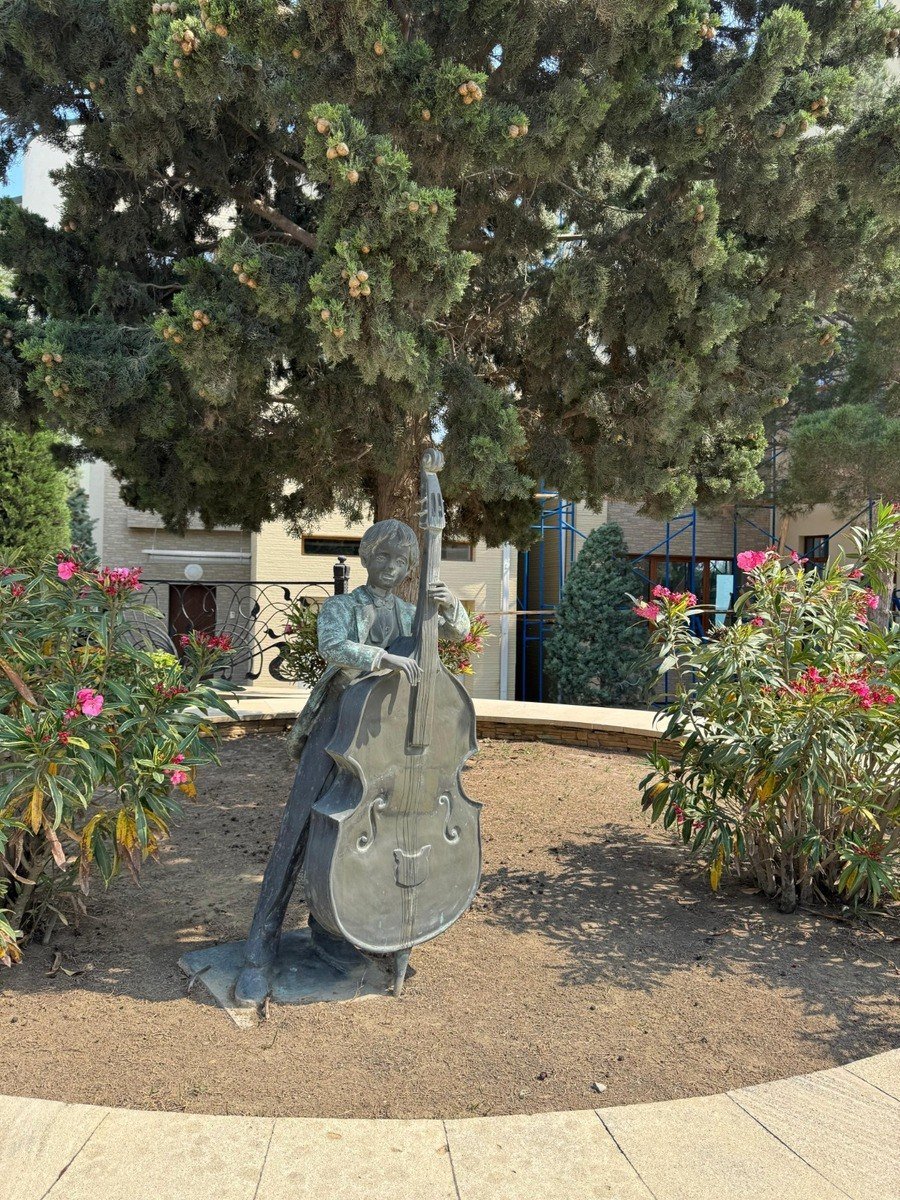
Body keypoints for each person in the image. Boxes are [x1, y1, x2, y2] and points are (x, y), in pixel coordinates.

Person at [233, 518, 470, 1007]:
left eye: (400, 561)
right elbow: (333, 646)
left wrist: (450, 607)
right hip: (336, 724)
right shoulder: (342, 606)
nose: (391, 567)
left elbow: (453, 634)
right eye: (382, 556)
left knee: (386, 832)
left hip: (386, 735)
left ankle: (354, 928)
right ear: (366, 558)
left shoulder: (412, 613)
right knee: (297, 829)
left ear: (409, 567)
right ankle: (260, 949)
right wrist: (382, 657)